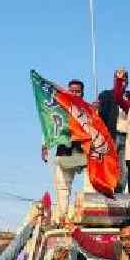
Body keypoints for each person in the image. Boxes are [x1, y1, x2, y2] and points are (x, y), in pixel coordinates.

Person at [41, 79, 91, 221]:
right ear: (68, 92)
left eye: (78, 91)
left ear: (82, 93)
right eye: (72, 91)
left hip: (84, 149)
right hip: (65, 149)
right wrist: (45, 146)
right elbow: (49, 127)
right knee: (62, 184)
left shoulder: (88, 109)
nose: (75, 93)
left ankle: (88, 212)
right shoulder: (59, 109)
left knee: (91, 182)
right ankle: (63, 215)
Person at [100, 73, 128, 193]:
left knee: (125, 167)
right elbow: (101, 115)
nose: (122, 81)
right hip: (112, 134)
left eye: (124, 78)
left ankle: (119, 191)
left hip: (128, 137)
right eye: (118, 79)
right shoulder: (106, 95)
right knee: (109, 164)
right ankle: (107, 188)